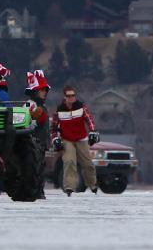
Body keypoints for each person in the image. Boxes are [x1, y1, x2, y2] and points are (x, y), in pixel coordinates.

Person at [51, 84, 99, 196]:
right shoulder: (59, 110)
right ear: (64, 97)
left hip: (81, 138)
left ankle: (92, 184)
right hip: (67, 139)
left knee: (87, 163)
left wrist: (92, 131)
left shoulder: (81, 107)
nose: (71, 98)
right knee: (69, 161)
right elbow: (53, 127)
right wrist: (55, 139)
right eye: (69, 96)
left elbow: (90, 120)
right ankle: (69, 187)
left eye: (73, 95)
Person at [24, 69, 51, 200]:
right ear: (35, 91)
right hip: (33, 144)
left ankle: (39, 190)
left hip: (41, 144)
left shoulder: (43, 106)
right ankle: (36, 191)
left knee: (41, 168)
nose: (44, 92)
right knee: (34, 168)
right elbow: (27, 125)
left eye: (45, 90)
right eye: (42, 90)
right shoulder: (30, 105)